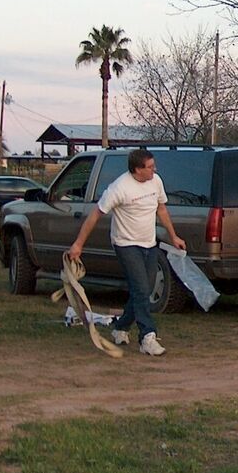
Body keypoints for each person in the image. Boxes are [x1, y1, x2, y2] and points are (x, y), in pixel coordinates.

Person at [67, 148, 185, 355]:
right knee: (140, 289)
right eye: (149, 167)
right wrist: (78, 244)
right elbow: (95, 215)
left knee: (145, 289)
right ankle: (147, 337)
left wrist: (173, 236)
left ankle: (121, 327)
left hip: (148, 243)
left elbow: (162, 210)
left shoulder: (155, 181)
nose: (154, 170)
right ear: (137, 170)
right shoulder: (119, 188)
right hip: (125, 244)